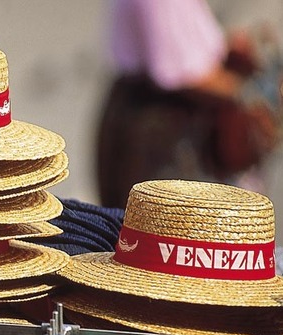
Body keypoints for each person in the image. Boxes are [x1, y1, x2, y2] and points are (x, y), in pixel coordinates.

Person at [96, 0, 282, 208]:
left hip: (158, 117)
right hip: (166, 128)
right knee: (171, 224)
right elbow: (183, 74)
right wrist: (253, 93)